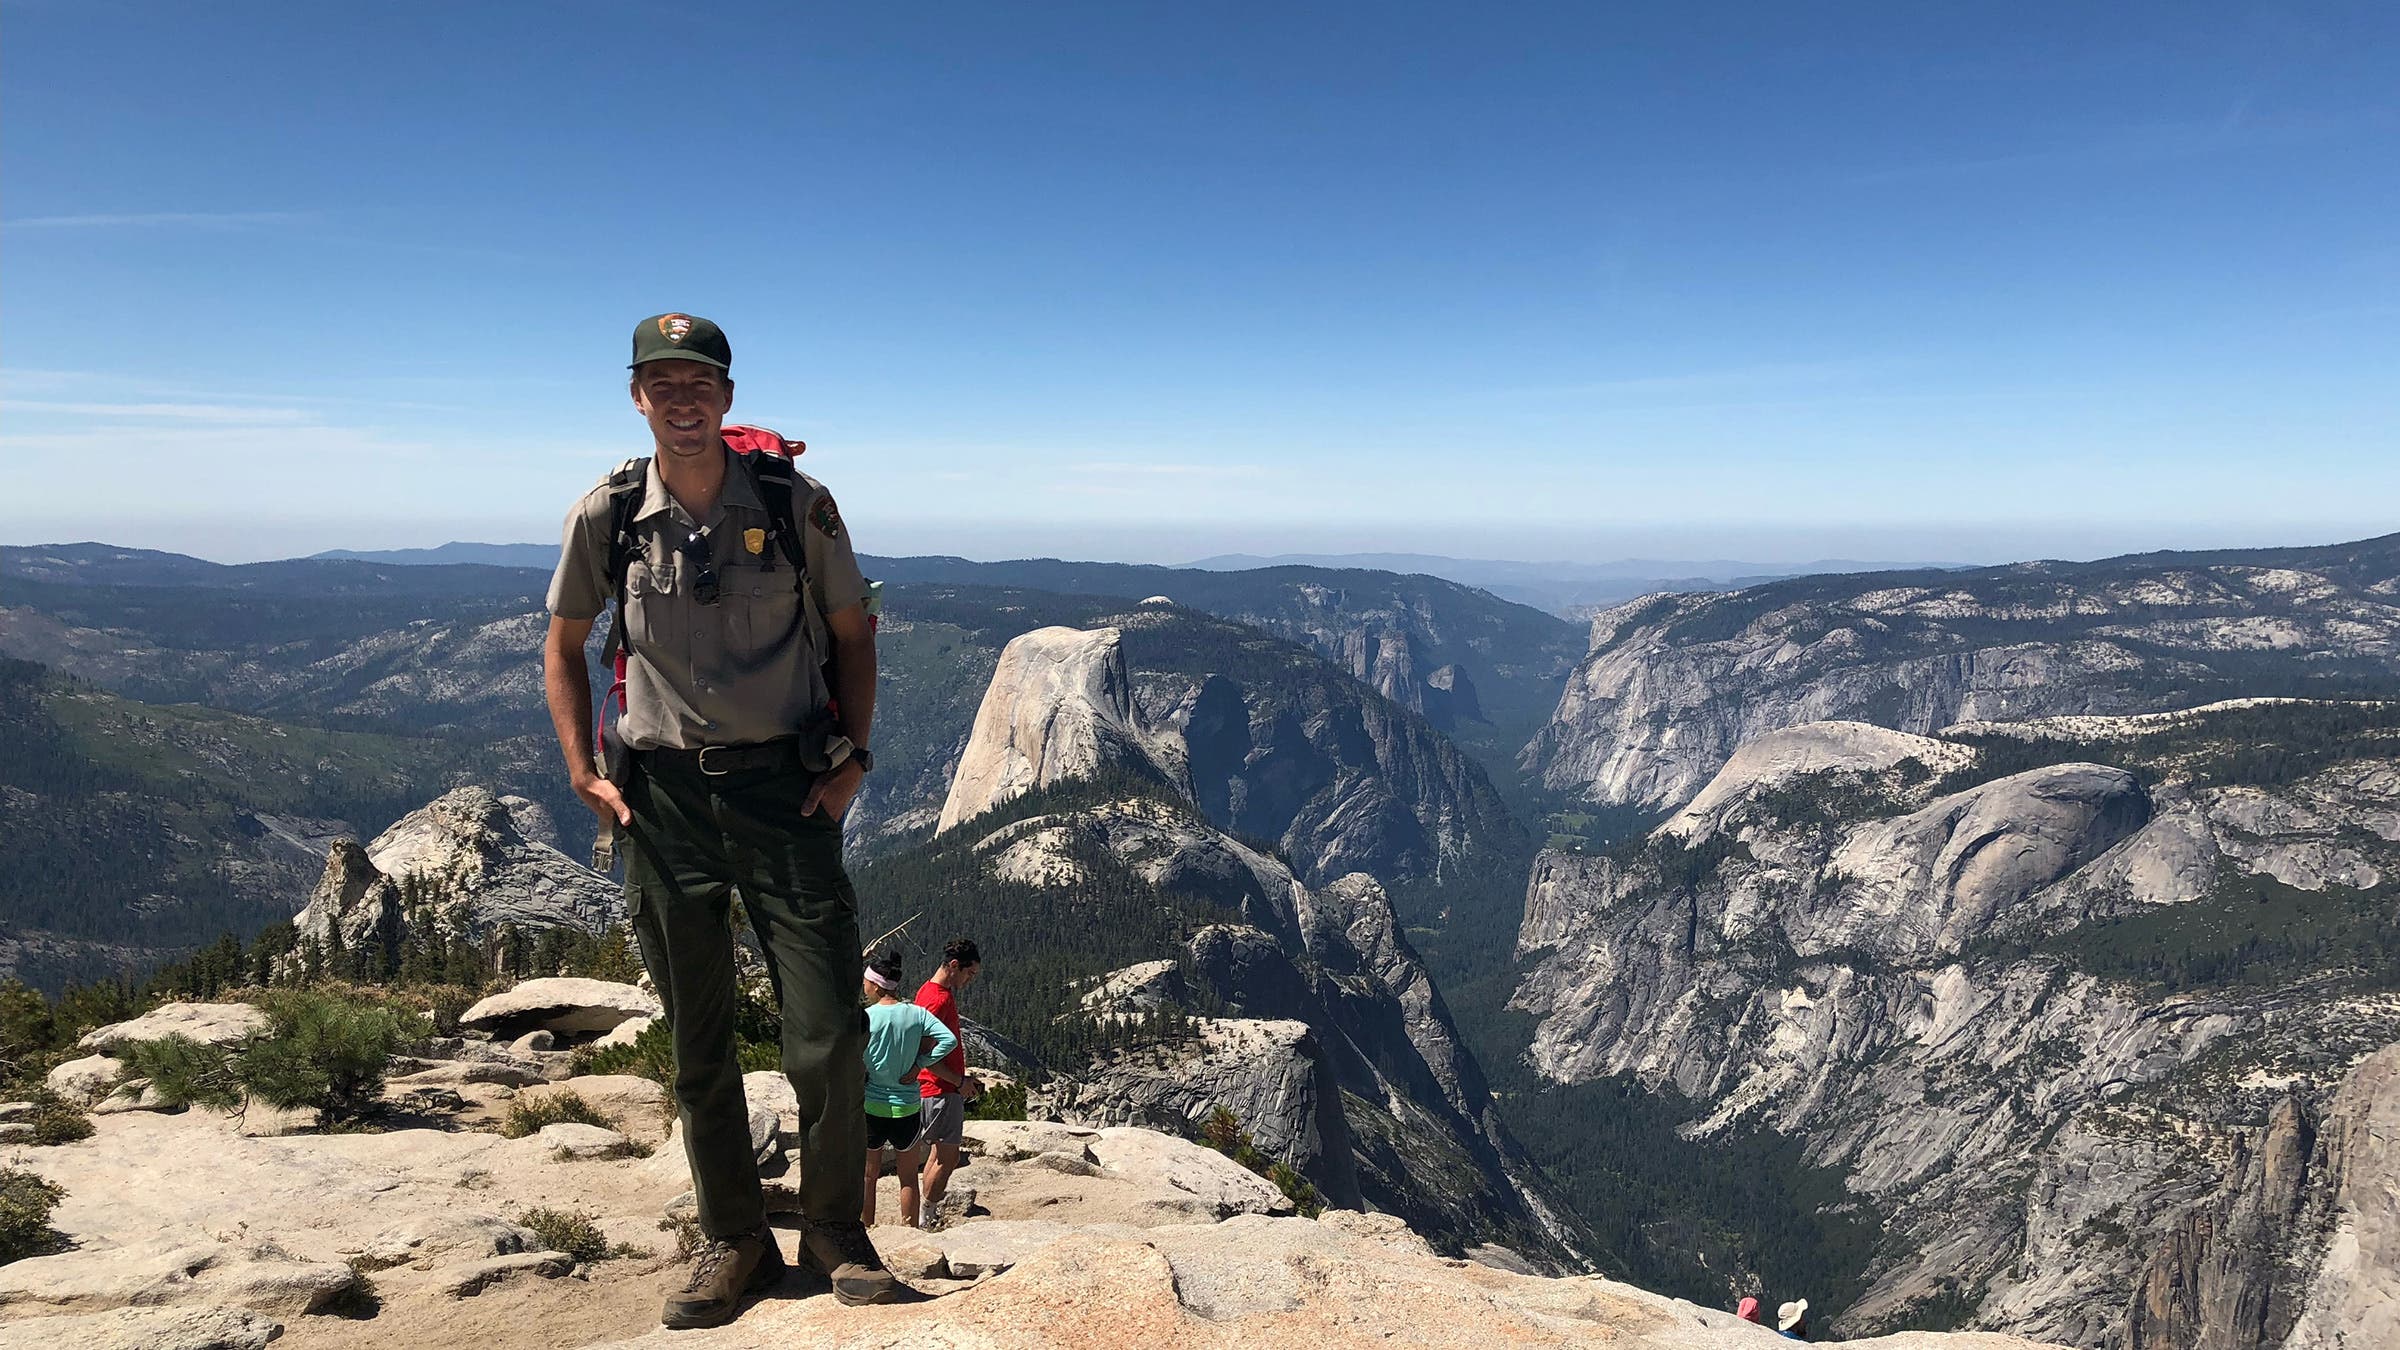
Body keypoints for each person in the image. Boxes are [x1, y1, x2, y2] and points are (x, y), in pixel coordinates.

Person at [542, 313, 895, 1327]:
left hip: (784, 793)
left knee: (826, 1029)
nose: (682, 398)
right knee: (699, 1039)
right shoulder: (606, 514)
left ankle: (834, 1227)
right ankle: (732, 1237)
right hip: (664, 802)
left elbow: (853, 636)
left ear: (727, 397)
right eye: (662, 382)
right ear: (638, 396)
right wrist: (580, 770)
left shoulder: (795, 504)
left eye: (699, 382)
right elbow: (562, 645)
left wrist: (854, 761)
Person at [858, 947, 964, 1228]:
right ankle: (909, 1229)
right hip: (906, 1105)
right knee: (908, 1178)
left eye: (866, 981)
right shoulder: (916, 1014)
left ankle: (866, 1229)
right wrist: (920, 1064)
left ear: (876, 985)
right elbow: (948, 1040)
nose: (863, 985)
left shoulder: (867, 1017)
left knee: (869, 1177)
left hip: (872, 1103)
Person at [901, 938, 983, 1229]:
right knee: (949, 1157)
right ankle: (927, 1216)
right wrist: (959, 1081)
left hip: (935, 1087)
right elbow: (924, 1054)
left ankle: (925, 1213)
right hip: (940, 1089)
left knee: (937, 1153)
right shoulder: (939, 999)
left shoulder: (929, 990)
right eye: (969, 973)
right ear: (953, 966)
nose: (970, 980)